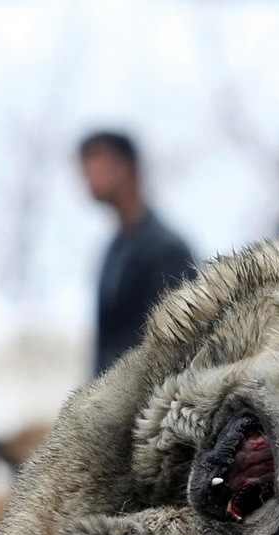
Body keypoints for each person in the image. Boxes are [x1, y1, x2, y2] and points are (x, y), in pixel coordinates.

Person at [79, 131, 195, 376]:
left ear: (127, 168)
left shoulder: (166, 250)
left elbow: (178, 345)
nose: (88, 178)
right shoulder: (115, 249)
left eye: (98, 165)